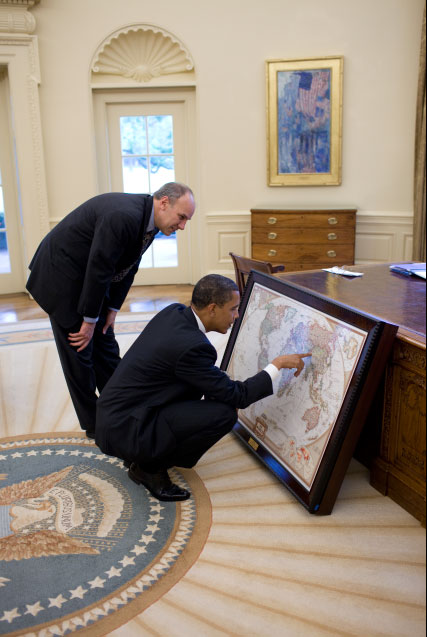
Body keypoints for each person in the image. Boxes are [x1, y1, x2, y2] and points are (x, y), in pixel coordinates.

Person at [95, 274, 311, 502]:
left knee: (206, 392)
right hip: (126, 430)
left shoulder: (174, 312)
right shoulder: (192, 347)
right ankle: (149, 468)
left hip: (115, 418)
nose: (236, 317)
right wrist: (276, 365)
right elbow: (239, 396)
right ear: (212, 309)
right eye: (233, 309)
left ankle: (143, 453)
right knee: (223, 413)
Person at [26, 182, 195, 439]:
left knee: (105, 345)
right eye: (182, 217)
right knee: (80, 352)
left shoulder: (150, 220)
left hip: (89, 277)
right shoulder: (123, 216)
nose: (182, 226)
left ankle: (123, 406)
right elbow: (99, 268)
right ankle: (96, 425)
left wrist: (113, 308)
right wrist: (89, 320)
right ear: (163, 203)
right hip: (61, 275)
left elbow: (128, 267)